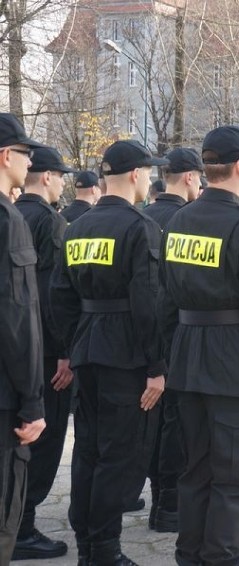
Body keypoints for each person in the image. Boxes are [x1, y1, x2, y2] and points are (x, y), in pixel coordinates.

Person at [157, 126, 239, 566]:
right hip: (236, 368)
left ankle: (191, 558)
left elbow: (164, 299)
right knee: (238, 483)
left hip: (189, 361)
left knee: (196, 475)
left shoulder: (179, 220)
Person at [50, 140, 168, 566]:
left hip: (88, 347)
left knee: (88, 452)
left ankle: (89, 546)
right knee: (121, 457)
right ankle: (104, 551)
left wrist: (71, 344)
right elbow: (148, 301)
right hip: (127, 355)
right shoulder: (140, 227)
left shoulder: (77, 225)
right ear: (136, 174)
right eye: (147, 172)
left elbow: (59, 296)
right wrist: (157, 366)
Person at [12, 146, 76, 561]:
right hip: (46, 352)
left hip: (19, 347)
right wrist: (65, 351)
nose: (64, 183)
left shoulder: (14, 215)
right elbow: (54, 294)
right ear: (48, 177)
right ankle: (24, 526)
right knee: (44, 443)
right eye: (62, 176)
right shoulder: (52, 223)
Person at [143, 147, 204, 534]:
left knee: (152, 427)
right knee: (175, 427)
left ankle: (159, 500)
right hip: (175, 336)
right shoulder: (186, 221)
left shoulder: (143, 216)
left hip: (137, 338)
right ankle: (168, 505)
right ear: (189, 178)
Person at [0, 113, 47, 565]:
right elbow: (17, 318)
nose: (28, 161)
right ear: (4, 156)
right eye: (25, 153)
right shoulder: (7, 221)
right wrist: (32, 402)